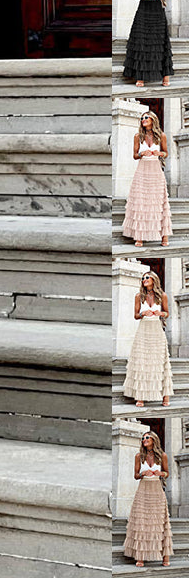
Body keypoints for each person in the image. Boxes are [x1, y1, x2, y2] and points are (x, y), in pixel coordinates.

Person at [122, 0, 173, 88]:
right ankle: (141, 77)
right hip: (143, 8)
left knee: (160, 40)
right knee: (141, 41)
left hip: (157, 9)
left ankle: (165, 76)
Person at [122, 271, 173, 407]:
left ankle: (165, 396)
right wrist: (142, 313)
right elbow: (135, 315)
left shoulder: (162, 296)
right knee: (142, 361)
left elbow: (167, 313)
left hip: (156, 329)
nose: (144, 280)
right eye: (143, 278)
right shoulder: (139, 296)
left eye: (147, 278)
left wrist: (160, 313)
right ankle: (140, 397)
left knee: (160, 361)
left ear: (153, 280)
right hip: (143, 329)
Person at [121, 110, 172, 248]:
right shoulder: (138, 136)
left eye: (146, 117)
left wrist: (159, 153)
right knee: (141, 202)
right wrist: (141, 153)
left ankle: (164, 236)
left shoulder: (161, 136)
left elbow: (166, 153)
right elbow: (134, 155)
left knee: (159, 202)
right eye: (142, 118)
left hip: (156, 170)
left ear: (153, 120)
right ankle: (139, 237)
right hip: (142, 170)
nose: (143, 119)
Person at [123, 431, 173, 568]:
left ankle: (165, 556)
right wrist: (142, 473)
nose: (144, 440)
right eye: (143, 438)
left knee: (160, 521)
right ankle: (140, 557)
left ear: (153, 440)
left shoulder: (162, 456)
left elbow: (167, 473)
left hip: (157, 489)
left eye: (147, 438)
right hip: (143, 489)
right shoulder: (139, 456)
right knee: (141, 522)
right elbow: (135, 475)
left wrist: (161, 473)